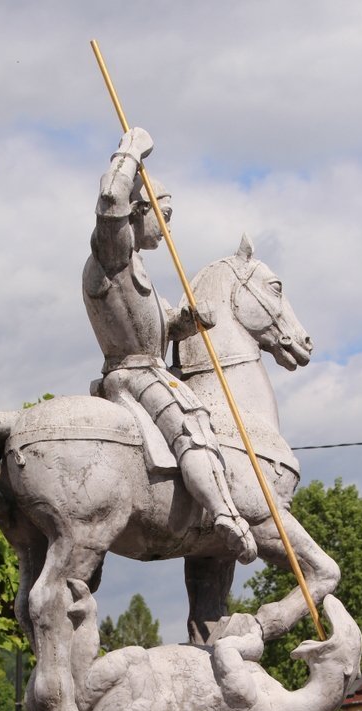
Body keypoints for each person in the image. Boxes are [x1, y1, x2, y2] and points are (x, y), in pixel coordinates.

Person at [82, 127, 257, 565]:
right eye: (165, 214)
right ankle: (224, 515)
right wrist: (130, 151)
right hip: (136, 373)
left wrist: (186, 322)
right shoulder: (114, 253)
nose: (169, 226)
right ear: (140, 212)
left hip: (145, 364)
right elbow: (108, 205)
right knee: (192, 424)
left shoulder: (136, 267)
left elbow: (155, 326)